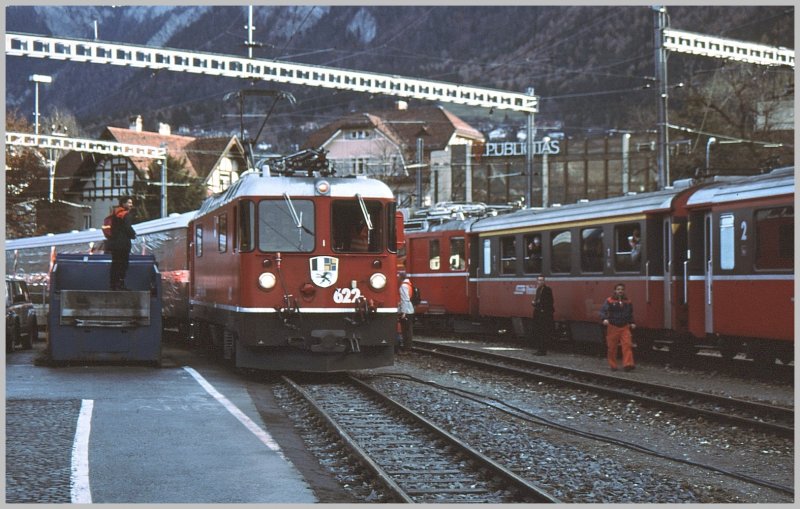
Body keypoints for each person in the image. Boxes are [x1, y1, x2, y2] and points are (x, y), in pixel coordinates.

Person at [600, 283, 636, 371]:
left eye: (622, 289)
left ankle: (628, 364)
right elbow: (603, 311)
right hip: (613, 326)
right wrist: (604, 319)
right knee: (612, 347)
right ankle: (613, 365)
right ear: (615, 291)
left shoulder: (628, 301)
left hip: (625, 326)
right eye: (618, 289)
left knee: (627, 345)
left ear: (624, 291)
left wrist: (632, 322)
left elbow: (630, 314)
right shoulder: (609, 300)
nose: (620, 291)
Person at [107, 196, 136, 290]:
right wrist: (133, 234)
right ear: (123, 204)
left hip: (114, 244)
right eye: (129, 203)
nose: (131, 205)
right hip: (123, 245)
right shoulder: (125, 215)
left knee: (115, 264)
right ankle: (120, 284)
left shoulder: (114, 214)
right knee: (123, 265)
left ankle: (113, 285)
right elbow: (128, 228)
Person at [530, 275, 554, 355]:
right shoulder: (538, 289)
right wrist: (534, 303)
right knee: (538, 332)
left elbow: (549, 302)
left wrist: (539, 305)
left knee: (543, 332)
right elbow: (538, 300)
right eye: (539, 280)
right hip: (538, 313)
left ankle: (542, 350)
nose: (540, 281)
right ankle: (539, 349)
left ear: (544, 281)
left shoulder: (547, 290)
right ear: (537, 281)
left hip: (544, 314)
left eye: (542, 280)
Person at [397, 273, 415, 353]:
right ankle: (408, 348)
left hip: (406, 310)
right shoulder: (408, 284)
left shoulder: (403, 286)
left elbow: (405, 299)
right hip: (410, 309)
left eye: (398, 277)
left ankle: (406, 349)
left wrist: (403, 312)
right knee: (408, 330)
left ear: (401, 277)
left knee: (406, 331)